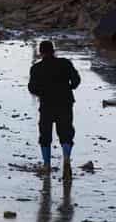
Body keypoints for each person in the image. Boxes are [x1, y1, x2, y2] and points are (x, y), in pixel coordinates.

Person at [28, 41, 81, 180]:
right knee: (66, 133)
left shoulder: (36, 68)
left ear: (40, 52)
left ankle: (46, 165)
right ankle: (67, 160)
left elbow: (32, 88)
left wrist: (42, 92)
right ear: (53, 50)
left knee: (45, 135)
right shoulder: (65, 63)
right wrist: (69, 88)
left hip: (47, 105)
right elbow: (76, 80)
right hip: (65, 102)